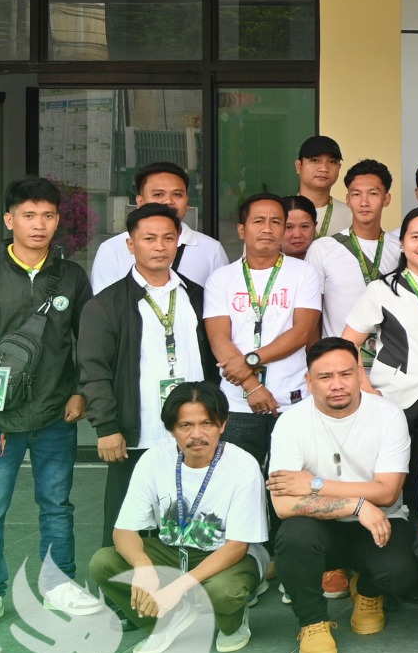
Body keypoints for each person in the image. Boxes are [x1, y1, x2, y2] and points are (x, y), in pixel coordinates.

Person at [0, 177, 96, 634]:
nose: (39, 225)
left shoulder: (71, 276)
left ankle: (59, 585)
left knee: (57, 505)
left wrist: (81, 390)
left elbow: (87, 341)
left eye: (48, 216)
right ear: (9, 219)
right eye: (29, 215)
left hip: (56, 412)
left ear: (58, 222)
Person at [88, 381, 265, 653]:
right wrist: (143, 566)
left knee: (222, 591)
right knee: (105, 562)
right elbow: (123, 530)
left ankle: (233, 622)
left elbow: (237, 546)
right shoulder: (153, 460)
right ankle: (167, 621)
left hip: (226, 558)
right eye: (185, 426)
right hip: (173, 551)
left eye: (206, 423)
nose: (197, 435)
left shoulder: (243, 466)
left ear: (222, 424)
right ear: (172, 430)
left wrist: (180, 586)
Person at [268, 338, 417, 653]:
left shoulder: (388, 415)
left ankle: (367, 590)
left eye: (346, 374)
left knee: (403, 571)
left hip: (383, 522)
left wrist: (315, 484)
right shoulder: (291, 422)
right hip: (324, 528)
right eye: (325, 377)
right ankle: (313, 623)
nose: (337, 385)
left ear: (359, 374)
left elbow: (388, 492)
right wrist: (356, 505)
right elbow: (283, 506)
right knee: (293, 536)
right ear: (309, 381)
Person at [78, 204, 217, 550]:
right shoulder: (106, 305)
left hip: (192, 429)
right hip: (134, 432)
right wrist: (107, 427)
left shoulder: (198, 296)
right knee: (129, 520)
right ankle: (125, 592)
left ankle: (188, 586)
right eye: (149, 238)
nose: (159, 246)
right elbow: (94, 371)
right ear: (130, 245)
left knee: (194, 515)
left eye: (168, 238)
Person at [344, 206, 418, 519]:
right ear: (402, 243)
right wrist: (366, 389)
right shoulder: (382, 289)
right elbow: (346, 344)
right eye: (416, 236)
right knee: (391, 478)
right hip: (394, 400)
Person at [203, 193, 323, 465]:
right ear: (242, 230)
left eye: (276, 222)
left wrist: (250, 361)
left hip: (291, 401)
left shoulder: (303, 273)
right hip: (236, 403)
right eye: (259, 221)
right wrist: (252, 386)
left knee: (289, 485)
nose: (268, 228)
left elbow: (302, 332)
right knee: (239, 483)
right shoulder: (221, 278)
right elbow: (218, 338)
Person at [89, 161, 229, 291]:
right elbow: (105, 306)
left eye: (177, 194)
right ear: (140, 201)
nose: (168, 201)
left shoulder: (211, 249)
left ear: (187, 201)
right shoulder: (113, 249)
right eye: (158, 194)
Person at [307, 159, 401, 342]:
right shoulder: (323, 248)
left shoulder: (401, 249)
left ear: (386, 199)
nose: (364, 202)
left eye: (373, 193)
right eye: (356, 194)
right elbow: (311, 315)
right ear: (348, 199)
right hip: (338, 361)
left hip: (387, 363)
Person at [293, 135, 353, 238]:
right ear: (299, 166)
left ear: (339, 168)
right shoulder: (281, 211)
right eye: (315, 160)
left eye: (332, 162)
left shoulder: (352, 215)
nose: (324, 168)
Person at [281, 196, 318, 260]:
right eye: (289, 227)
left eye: (304, 226)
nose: (297, 235)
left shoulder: (331, 260)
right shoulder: (262, 264)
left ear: (315, 226)